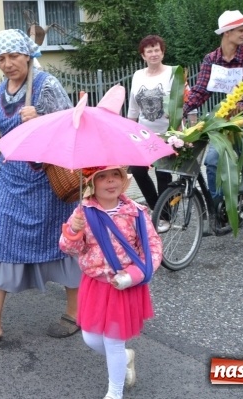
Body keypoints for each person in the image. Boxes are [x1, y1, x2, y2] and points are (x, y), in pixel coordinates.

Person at [0, 29, 80, 349]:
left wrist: (40, 116)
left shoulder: (46, 85)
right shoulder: (1, 89)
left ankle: (74, 313)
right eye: (1, 58)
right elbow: (9, 131)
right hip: (11, 181)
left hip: (46, 182)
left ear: (27, 55)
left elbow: (71, 124)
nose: (7, 64)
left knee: (62, 245)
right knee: (1, 244)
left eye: (13, 56)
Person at [59, 165, 162, 399]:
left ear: (124, 181)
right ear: (91, 184)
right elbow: (69, 248)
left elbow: (153, 247)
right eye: (102, 177)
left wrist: (135, 274)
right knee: (91, 338)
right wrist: (73, 232)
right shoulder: (83, 213)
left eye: (116, 175)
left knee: (113, 341)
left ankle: (114, 393)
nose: (110, 182)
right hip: (95, 284)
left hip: (124, 286)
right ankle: (124, 358)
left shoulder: (136, 212)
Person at [183, 10, 243, 203]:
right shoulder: (211, 59)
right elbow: (200, 91)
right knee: (212, 161)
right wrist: (179, 111)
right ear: (227, 32)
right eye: (241, 30)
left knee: (239, 123)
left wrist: (240, 105)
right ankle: (216, 207)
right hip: (227, 115)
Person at [126, 35, 174, 229]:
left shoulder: (173, 73)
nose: (154, 54)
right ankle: (156, 207)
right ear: (143, 55)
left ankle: (164, 217)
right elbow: (133, 107)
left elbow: (186, 101)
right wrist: (128, 132)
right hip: (143, 133)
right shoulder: (138, 75)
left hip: (167, 133)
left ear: (162, 52)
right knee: (137, 170)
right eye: (149, 51)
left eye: (157, 50)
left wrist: (186, 131)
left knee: (163, 174)